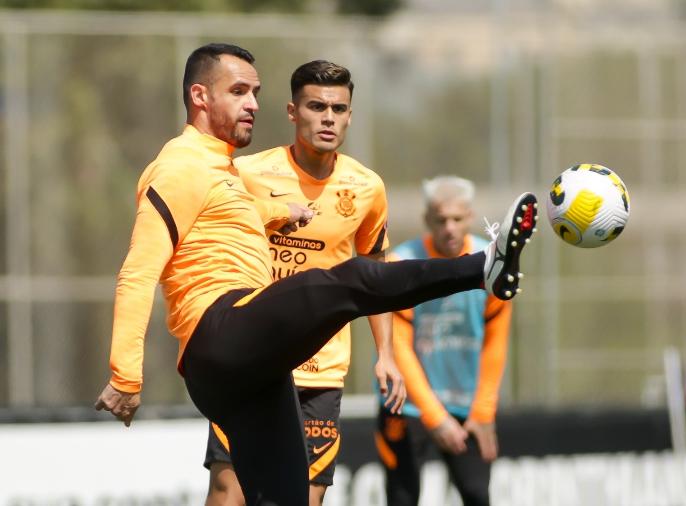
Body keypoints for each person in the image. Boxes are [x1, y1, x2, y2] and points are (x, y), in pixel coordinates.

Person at [93, 42, 538, 506]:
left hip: (251, 371)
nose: (252, 104)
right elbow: (138, 273)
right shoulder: (179, 165)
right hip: (220, 332)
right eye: (239, 91)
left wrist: (277, 210)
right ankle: (483, 266)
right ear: (201, 97)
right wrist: (126, 376)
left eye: (255, 92)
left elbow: (224, 213)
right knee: (347, 280)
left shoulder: (219, 169)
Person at [202, 59, 401, 506]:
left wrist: (386, 354)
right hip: (252, 357)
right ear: (293, 112)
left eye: (338, 108)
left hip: (322, 368)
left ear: (350, 115)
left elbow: (375, 273)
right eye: (316, 106)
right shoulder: (248, 173)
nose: (328, 118)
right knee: (228, 488)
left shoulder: (366, 187)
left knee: (303, 498)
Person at [375, 176, 512, 506]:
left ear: (470, 217)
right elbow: (399, 348)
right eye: (440, 220)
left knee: (478, 495)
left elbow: (496, 341)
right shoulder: (402, 263)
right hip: (406, 404)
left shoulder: (490, 262)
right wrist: (435, 418)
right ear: (427, 221)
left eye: (457, 219)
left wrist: (483, 412)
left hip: (468, 405)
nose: (449, 228)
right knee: (402, 499)